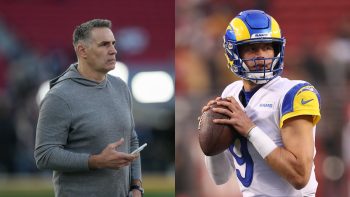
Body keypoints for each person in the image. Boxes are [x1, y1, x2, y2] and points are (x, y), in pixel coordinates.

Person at [201, 10, 321, 196]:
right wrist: (208, 138)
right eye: (252, 49)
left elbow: (300, 176)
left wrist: (250, 130)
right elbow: (221, 177)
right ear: (233, 52)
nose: (262, 56)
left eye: (267, 47)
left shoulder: (295, 93)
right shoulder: (230, 93)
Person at [34, 19, 144, 197]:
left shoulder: (121, 87)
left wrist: (136, 186)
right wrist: (96, 161)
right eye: (104, 45)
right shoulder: (59, 96)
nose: (113, 50)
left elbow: (132, 140)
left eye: (113, 44)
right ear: (82, 50)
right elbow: (44, 155)